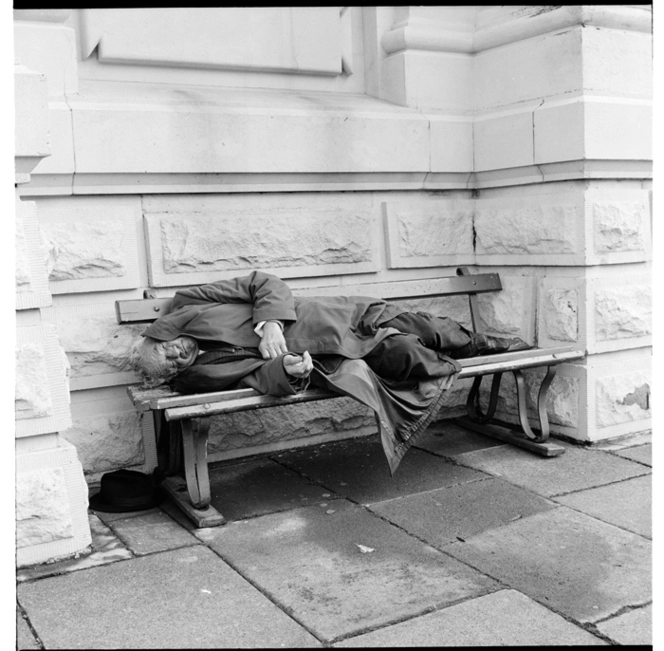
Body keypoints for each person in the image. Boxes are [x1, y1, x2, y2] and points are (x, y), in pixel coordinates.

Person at [130, 270, 529, 472]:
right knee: (409, 355)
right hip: (335, 356)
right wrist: (287, 370)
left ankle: (488, 346)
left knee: (428, 328)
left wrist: (270, 323)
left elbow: (263, 282)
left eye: (169, 350)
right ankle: (469, 359)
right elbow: (257, 378)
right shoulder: (199, 373)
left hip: (337, 314)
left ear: (159, 334)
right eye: (173, 364)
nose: (179, 356)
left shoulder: (188, 303)